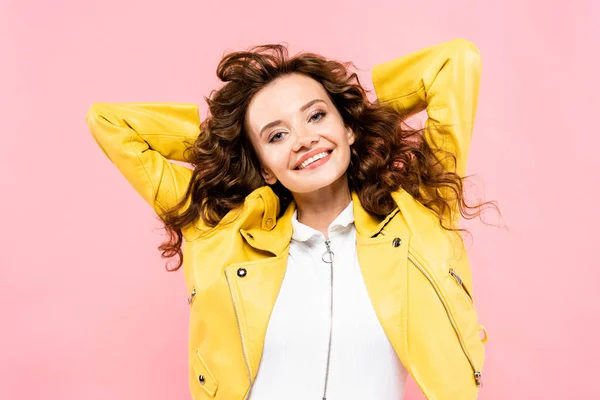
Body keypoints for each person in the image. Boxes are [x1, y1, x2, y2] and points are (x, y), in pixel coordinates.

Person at [86, 37, 493, 400]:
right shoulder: (223, 234)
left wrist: (363, 112)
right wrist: (222, 147)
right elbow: (109, 123)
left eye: (316, 116)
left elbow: (454, 62)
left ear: (348, 126)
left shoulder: (420, 211)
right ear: (262, 166)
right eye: (276, 136)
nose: (303, 139)